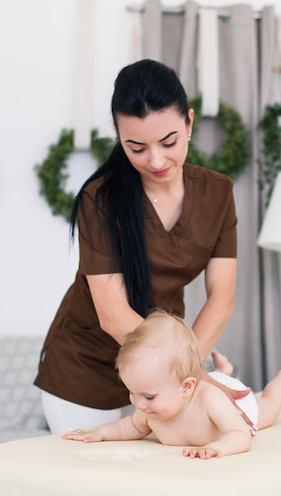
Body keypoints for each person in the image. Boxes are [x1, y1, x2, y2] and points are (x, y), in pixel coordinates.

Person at [34, 58, 239, 434]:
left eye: (169, 142)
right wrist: (176, 376)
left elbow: (220, 298)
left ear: (189, 122)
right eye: (137, 147)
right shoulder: (101, 199)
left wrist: (185, 374)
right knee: (93, 487)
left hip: (168, 375)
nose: (157, 160)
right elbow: (112, 315)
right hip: (87, 371)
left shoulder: (218, 192)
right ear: (117, 133)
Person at [63, 311, 281, 459]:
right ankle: (223, 370)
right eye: (132, 392)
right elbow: (129, 427)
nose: (138, 404)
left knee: (269, 405)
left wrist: (217, 447)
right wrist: (100, 434)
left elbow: (240, 435)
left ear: (186, 388)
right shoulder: (150, 410)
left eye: (148, 396)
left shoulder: (209, 400)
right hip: (198, 385)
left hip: (234, 404)